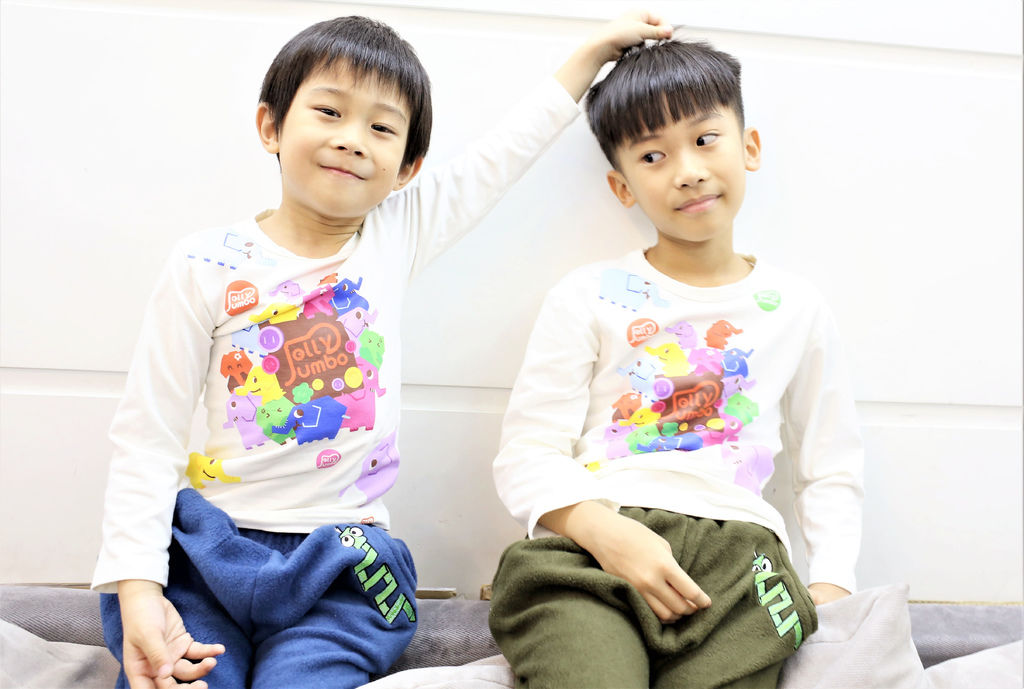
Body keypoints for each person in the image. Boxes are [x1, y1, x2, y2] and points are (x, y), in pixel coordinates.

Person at [92, 12, 673, 689]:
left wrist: (593, 53)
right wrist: (139, 589)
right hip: (210, 552)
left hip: (342, 563)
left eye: (381, 128)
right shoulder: (204, 265)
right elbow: (147, 436)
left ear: (407, 168)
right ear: (271, 126)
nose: (351, 139)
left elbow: (501, 156)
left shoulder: (396, 233)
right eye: (329, 111)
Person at [489, 37, 864, 689]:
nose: (687, 170)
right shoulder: (587, 295)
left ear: (749, 147)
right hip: (593, 545)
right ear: (622, 186)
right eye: (653, 156)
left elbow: (829, 462)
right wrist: (603, 531)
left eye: (705, 139)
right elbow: (528, 452)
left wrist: (832, 583)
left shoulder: (796, 307)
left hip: (741, 562)